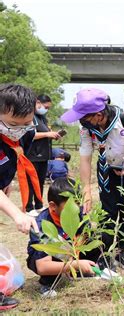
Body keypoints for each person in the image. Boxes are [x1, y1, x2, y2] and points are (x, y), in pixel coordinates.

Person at [61, 88, 124, 270]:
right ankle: (105, 253)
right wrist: (86, 189)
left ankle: (123, 252)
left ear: (99, 115)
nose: (81, 121)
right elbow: (85, 157)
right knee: (107, 213)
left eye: (84, 117)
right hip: (107, 170)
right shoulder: (86, 127)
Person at [0, 83, 39, 310]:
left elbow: (14, 157)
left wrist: (6, 183)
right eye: (13, 124)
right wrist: (17, 214)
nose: (19, 129)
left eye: (26, 123)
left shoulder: (27, 133)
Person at [26, 178, 100, 298]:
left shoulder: (78, 213)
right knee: (54, 250)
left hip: (74, 251)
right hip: (55, 257)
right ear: (53, 206)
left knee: (100, 237)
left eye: (77, 204)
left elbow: (85, 236)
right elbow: (42, 266)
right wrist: (75, 264)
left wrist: (76, 255)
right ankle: (48, 283)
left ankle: (84, 270)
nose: (75, 211)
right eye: (69, 207)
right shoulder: (41, 226)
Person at [26, 95, 62, 216]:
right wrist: (47, 134)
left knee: (40, 181)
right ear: (38, 102)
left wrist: (52, 134)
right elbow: (30, 135)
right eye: (45, 107)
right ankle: (28, 207)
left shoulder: (42, 118)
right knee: (31, 181)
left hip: (43, 155)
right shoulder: (29, 116)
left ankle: (39, 205)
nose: (46, 109)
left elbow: (45, 133)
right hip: (32, 155)